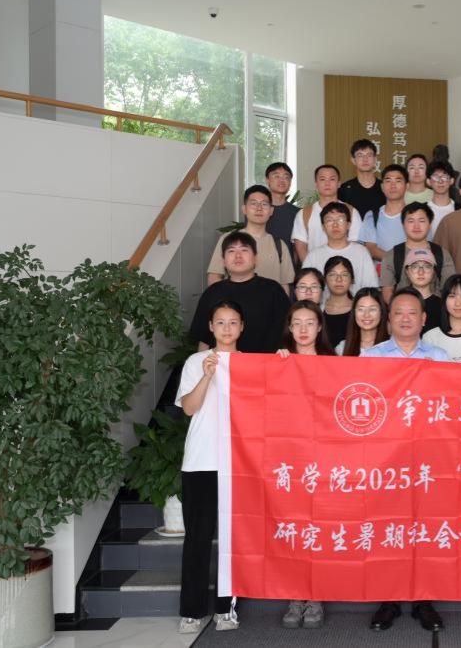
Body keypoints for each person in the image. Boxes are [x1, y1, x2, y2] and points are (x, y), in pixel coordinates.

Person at [362, 289, 447, 632]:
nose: (406, 318)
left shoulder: (439, 356)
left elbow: (451, 404)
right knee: (389, 527)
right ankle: (389, 599)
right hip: (386, 458)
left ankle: (425, 600)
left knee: (425, 527)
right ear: (389, 319)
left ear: (424, 319)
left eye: (413, 312)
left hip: (428, 457)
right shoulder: (372, 357)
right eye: (398, 313)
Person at [177, 300, 243, 635]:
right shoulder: (196, 361)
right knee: (198, 537)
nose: (227, 328)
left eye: (233, 322)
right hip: (201, 461)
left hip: (238, 463)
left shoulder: (249, 364)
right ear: (211, 327)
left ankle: (225, 608)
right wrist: (206, 375)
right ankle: (191, 611)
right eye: (221, 322)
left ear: (241, 327)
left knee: (234, 540)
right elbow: (189, 408)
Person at [275, 300, 334, 630]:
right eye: (296, 322)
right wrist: (276, 368)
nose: (302, 329)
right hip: (289, 459)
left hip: (324, 460)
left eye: (309, 322)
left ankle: (316, 594)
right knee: (294, 526)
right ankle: (296, 594)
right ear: (289, 327)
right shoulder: (279, 362)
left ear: (319, 326)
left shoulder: (333, 364)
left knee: (318, 527)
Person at [189, 231, 290, 353]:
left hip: (266, 362)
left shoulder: (273, 290)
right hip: (223, 363)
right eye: (231, 251)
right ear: (224, 261)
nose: (238, 255)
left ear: (255, 258)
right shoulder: (212, 293)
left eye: (244, 250)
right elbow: (204, 339)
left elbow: (289, 333)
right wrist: (202, 363)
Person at [207, 184, 294, 292]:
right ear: (244, 209)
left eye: (264, 204)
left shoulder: (279, 245)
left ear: (271, 210)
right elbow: (214, 276)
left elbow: (284, 285)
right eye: (253, 203)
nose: (259, 208)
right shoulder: (228, 239)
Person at [380, 202, 456, 301]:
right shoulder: (392, 255)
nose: (416, 226)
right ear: (403, 225)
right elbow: (387, 291)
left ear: (430, 224)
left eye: (421, 221)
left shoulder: (441, 253)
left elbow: (449, 290)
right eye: (411, 221)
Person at [301, 202, 378, 292]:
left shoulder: (362, 252)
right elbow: (304, 289)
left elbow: (371, 289)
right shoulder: (313, 256)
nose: (335, 225)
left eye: (340, 220)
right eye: (329, 220)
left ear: (348, 225)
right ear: (323, 227)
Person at [292, 165, 362, 262]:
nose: (327, 183)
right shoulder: (304, 213)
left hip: (344, 268)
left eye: (332, 179)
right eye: (322, 179)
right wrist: (310, 268)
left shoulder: (351, 212)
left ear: (339, 183)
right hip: (313, 267)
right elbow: (301, 246)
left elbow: (355, 244)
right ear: (316, 184)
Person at [359, 163, 408, 266]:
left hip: (411, 272)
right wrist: (398, 263)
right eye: (388, 181)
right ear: (382, 186)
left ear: (407, 186)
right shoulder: (372, 216)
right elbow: (371, 248)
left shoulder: (415, 215)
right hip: (380, 274)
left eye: (398, 181)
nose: (393, 185)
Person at [337, 138, 385, 219]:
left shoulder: (385, 187)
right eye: (360, 155)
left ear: (375, 159)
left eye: (369, 155)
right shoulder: (344, 190)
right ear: (353, 160)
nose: (365, 159)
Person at [263, 162, 300, 265]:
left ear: (290, 182)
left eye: (286, 177)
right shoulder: (258, 211)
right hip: (262, 268)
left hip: (290, 269)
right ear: (267, 180)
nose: (282, 180)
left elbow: (298, 248)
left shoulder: (298, 213)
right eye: (276, 176)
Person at [398, 249, 442, 335]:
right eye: (415, 266)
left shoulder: (443, 305)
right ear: (407, 271)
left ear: (433, 271)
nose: (421, 272)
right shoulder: (398, 303)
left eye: (427, 266)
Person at [337, 287, 389, 356]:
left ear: (381, 312)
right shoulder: (342, 348)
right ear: (354, 313)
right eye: (361, 309)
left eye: (372, 309)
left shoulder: (393, 346)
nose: (366, 315)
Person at [321, 256, 354, 349]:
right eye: (332, 275)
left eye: (344, 275)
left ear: (352, 279)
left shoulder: (359, 309)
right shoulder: (318, 310)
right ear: (325, 280)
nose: (339, 279)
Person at [425, 160, 459, 238]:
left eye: (444, 177)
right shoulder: (422, 210)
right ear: (428, 181)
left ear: (452, 180)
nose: (440, 181)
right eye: (436, 177)